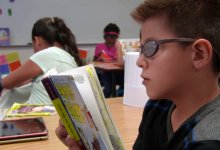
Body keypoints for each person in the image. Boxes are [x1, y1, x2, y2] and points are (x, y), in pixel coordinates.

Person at [55, 0, 220, 149]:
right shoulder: (158, 106)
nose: (139, 62)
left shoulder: (209, 141)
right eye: (141, 50)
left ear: (198, 54)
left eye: (150, 47)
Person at [0, 17, 82, 108]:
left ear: (37, 40)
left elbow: (5, 83)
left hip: (44, 117)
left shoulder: (47, 54)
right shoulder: (67, 57)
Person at [94, 23, 124, 98]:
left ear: (116, 37)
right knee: (108, 89)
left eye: (113, 37)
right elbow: (94, 61)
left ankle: (117, 96)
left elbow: (121, 61)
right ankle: (104, 100)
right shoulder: (99, 46)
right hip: (105, 73)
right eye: (109, 37)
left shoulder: (119, 47)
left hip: (119, 73)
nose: (110, 39)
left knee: (125, 85)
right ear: (105, 37)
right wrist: (99, 59)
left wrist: (119, 48)